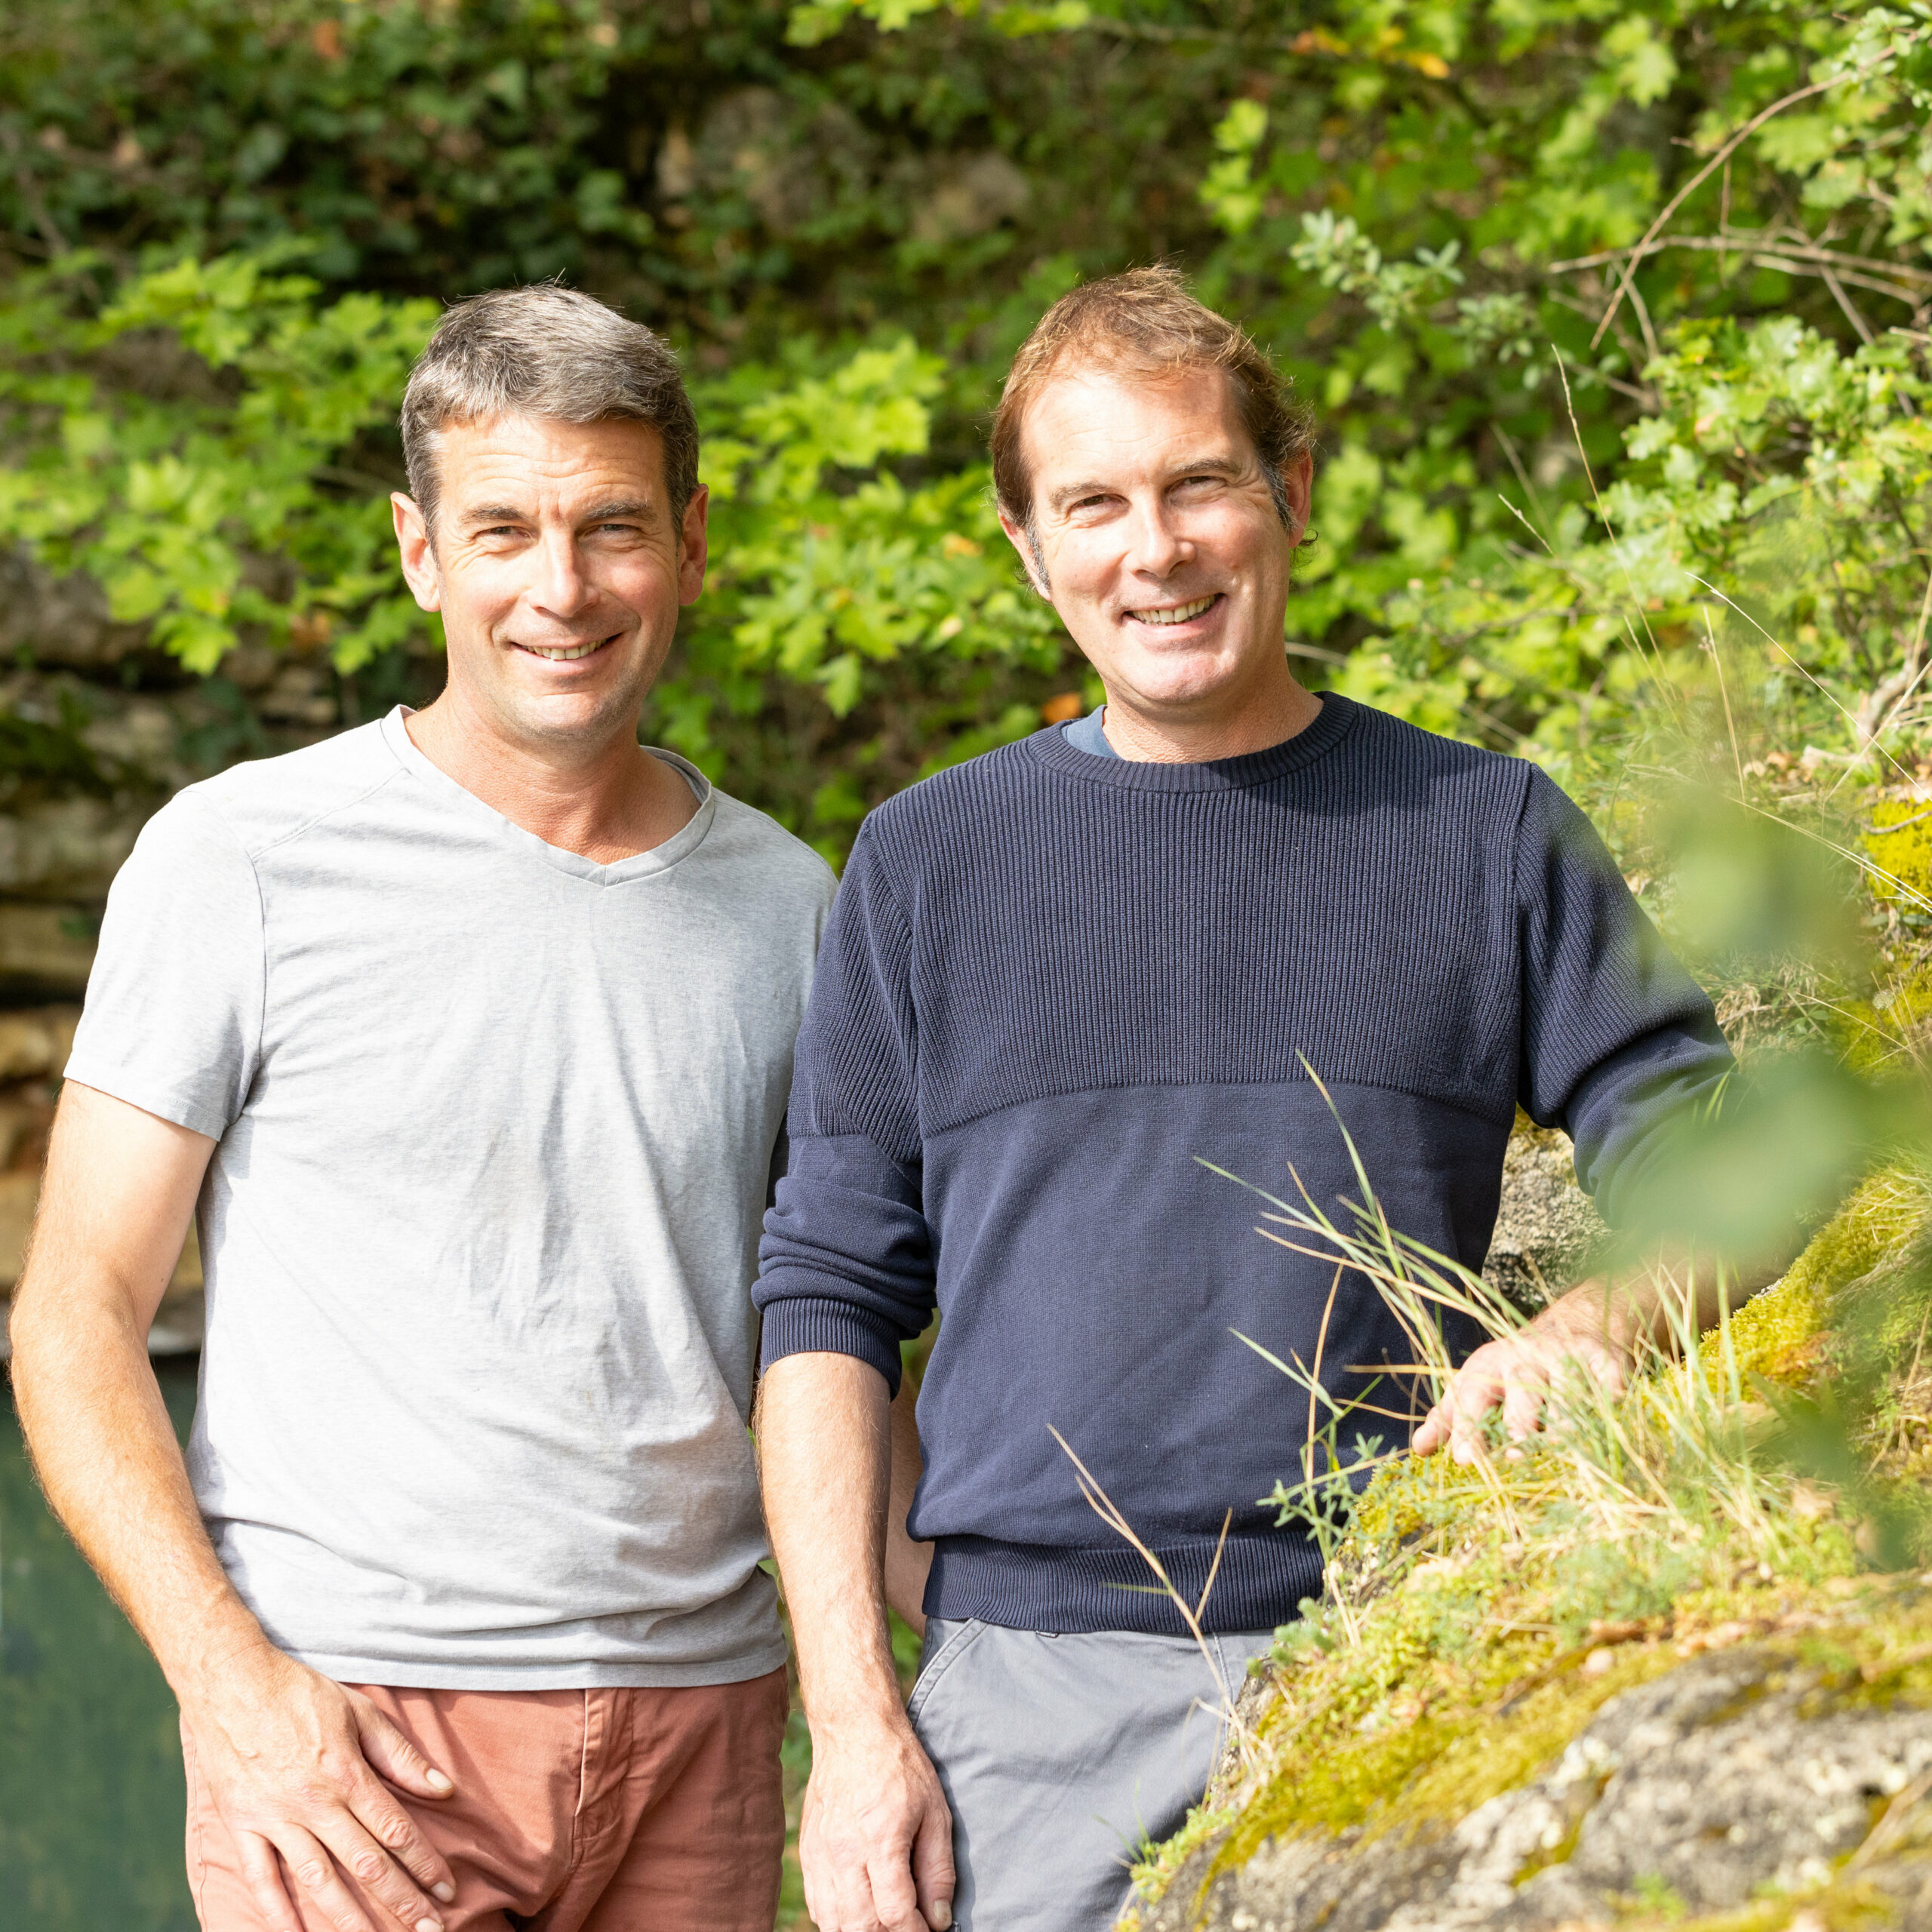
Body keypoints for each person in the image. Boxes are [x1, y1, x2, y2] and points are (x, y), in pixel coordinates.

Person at [753, 266, 1750, 1932]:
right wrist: (854, 1724)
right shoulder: (925, 860)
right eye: (1092, 503)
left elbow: (1725, 1160)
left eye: (1197, 482)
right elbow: (824, 1304)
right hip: (1024, 1714)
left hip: (1396, 1651)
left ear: (1284, 492)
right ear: (1027, 548)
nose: (1153, 549)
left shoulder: (1480, 829)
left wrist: (1589, 1325)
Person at [10, 285, 836, 1932]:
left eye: (611, 526)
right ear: (417, 549)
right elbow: (73, 1315)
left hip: (708, 1730)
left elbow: (817, 1334)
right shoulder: (239, 856)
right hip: (355, 1741)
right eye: (504, 528)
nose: (560, 586)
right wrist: (232, 1686)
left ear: (688, 542)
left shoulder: (792, 902)